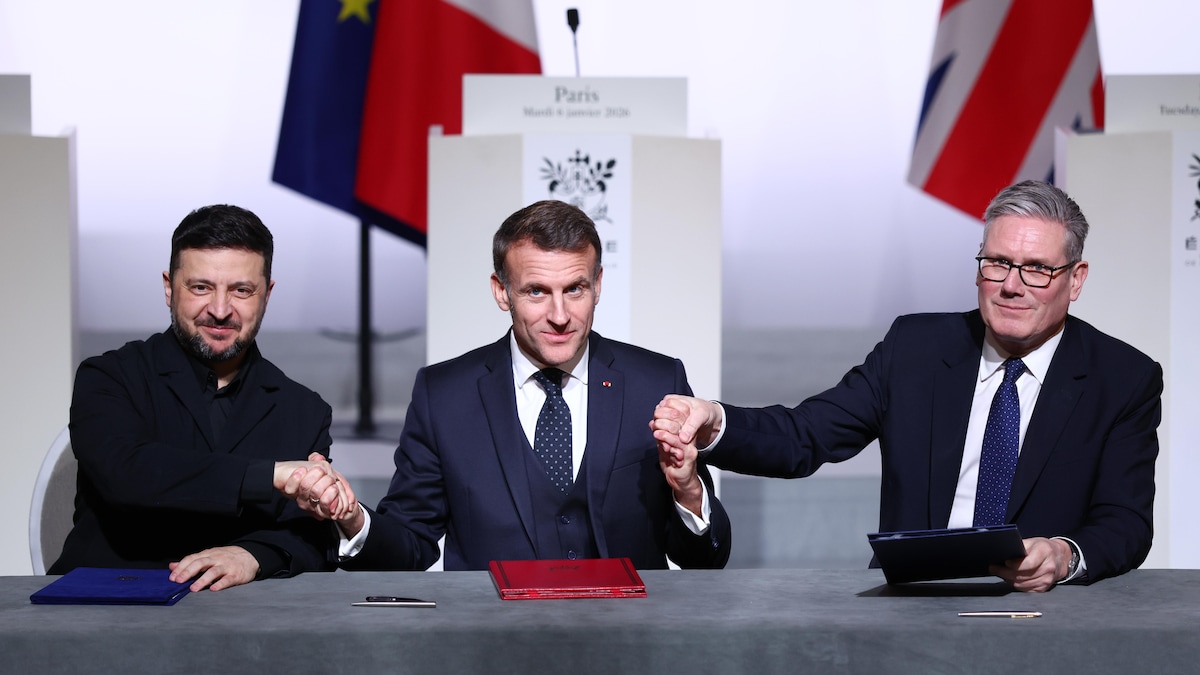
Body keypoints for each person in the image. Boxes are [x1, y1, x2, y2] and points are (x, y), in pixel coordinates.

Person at [652, 180, 1161, 592]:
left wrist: (1064, 555)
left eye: (1037, 270)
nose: (1011, 284)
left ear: (1076, 280)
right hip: (914, 610)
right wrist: (716, 421)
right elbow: (805, 436)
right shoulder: (915, 347)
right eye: (998, 263)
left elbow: (1126, 524)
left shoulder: (1123, 379)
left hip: (1040, 616)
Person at [292, 200, 731, 570]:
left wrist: (689, 492)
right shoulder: (444, 395)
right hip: (491, 652)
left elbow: (705, 560)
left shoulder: (656, 381)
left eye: (575, 289)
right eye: (536, 291)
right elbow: (410, 544)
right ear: (502, 292)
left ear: (598, 285)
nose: (559, 315)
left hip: (628, 650)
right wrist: (352, 520)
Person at [51, 204, 354, 592]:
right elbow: (128, 474)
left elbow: (316, 538)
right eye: (201, 287)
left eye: (241, 290)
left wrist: (254, 556)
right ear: (167, 287)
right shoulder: (108, 377)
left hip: (246, 626)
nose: (220, 309)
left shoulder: (305, 410)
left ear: (267, 295)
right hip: (106, 608)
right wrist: (267, 476)